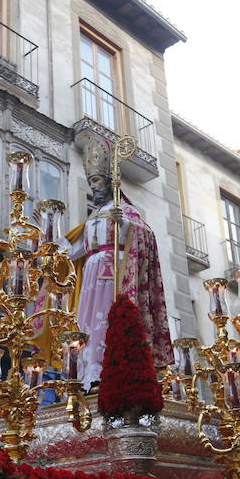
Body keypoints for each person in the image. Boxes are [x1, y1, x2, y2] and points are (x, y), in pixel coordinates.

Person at [56, 137, 173, 389]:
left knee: (107, 319)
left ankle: (106, 369)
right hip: (91, 273)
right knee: (86, 322)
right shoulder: (92, 217)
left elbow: (147, 236)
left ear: (109, 183)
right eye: (89, 182)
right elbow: (75, 249)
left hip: (115, 270)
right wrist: (50, 243)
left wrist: (126, 225)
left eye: (96, 181)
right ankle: (86, 374)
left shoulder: (126, 211)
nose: (93, 187)